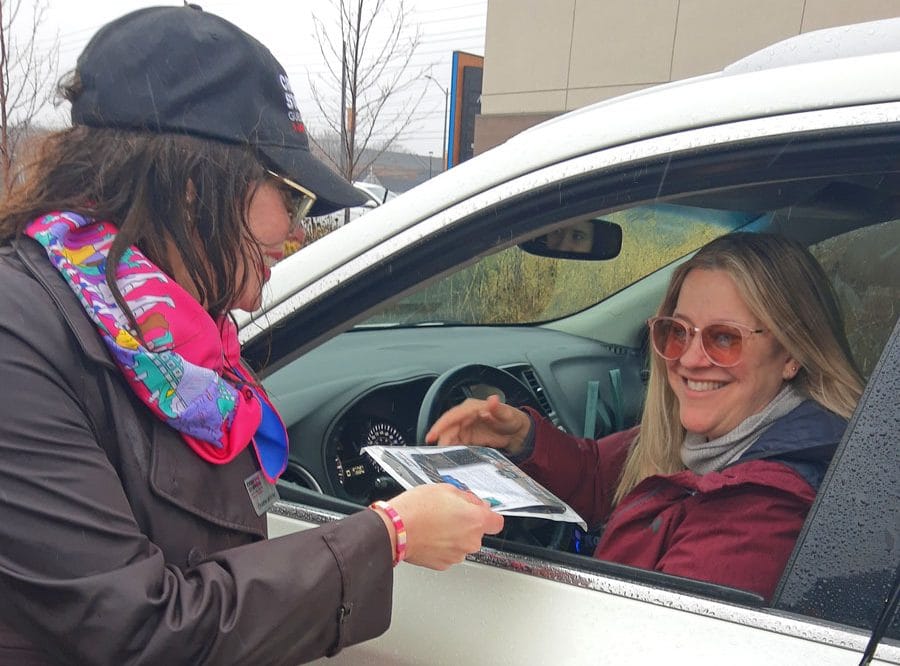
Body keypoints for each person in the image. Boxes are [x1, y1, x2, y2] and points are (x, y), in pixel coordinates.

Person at [0, 6, 502, 664]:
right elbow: (139, 634)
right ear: (190, 188)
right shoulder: (21, 337)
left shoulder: (175, 338)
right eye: (291, 197)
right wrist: (388, 536)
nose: (297, 231)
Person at [427, 232, 863, 600]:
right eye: (678, 331)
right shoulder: (709, 437)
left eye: (724, 338)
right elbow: (605, 472)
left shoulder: (761, 514)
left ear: (791, 355)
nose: (689, 360)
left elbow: (637, 639)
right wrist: (524, 437)